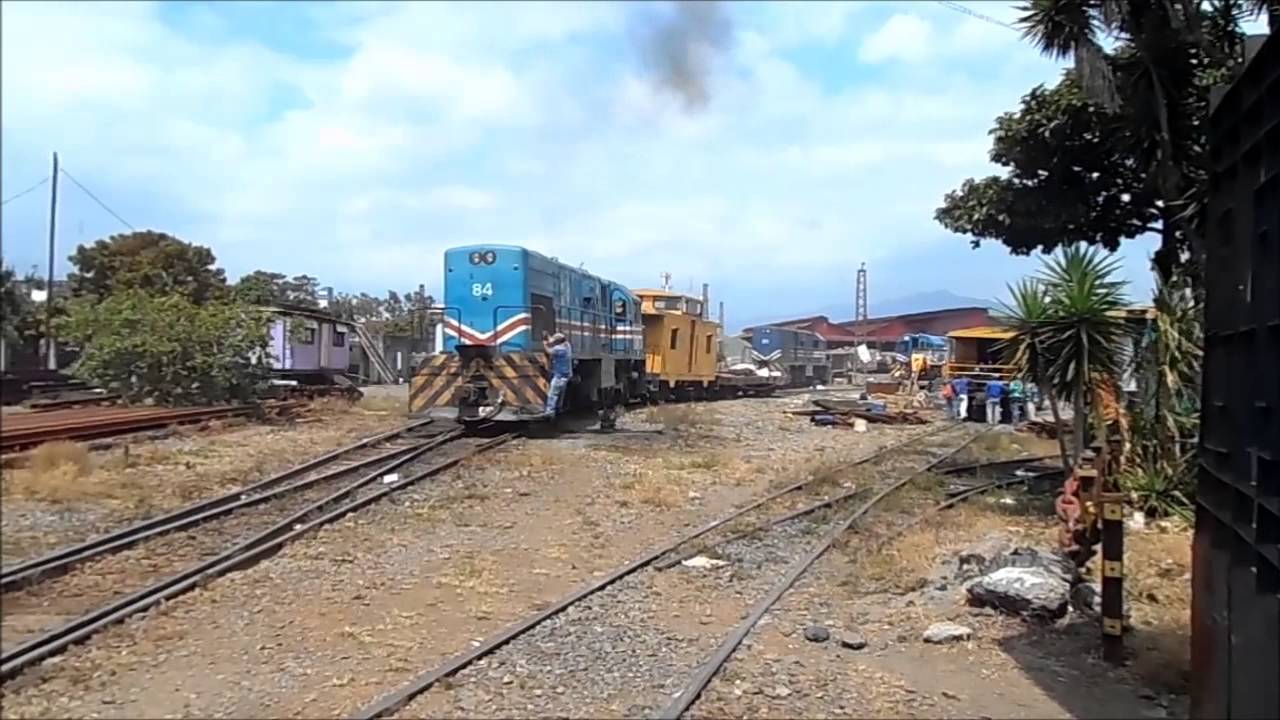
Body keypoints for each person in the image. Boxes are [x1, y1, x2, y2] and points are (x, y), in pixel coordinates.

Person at [542, 332, 572, 417]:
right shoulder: (567, 346)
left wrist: (545, 344)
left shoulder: (560, 349)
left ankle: (550, 412)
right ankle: (558, 409)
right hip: (564, 375)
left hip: (559, 376)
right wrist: (550, 339)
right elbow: (556, 342)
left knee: (553, 394)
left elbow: (549, 351)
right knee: (559, 394)